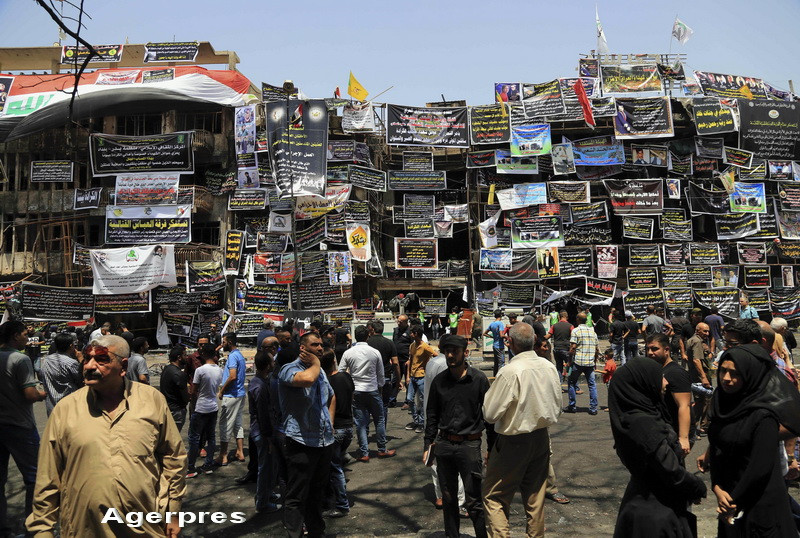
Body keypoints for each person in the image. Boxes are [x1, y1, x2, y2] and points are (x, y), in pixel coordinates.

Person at [26, 334, 186, 537]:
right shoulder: (65, 409)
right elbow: (48, 476)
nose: (89, 366)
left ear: (123, 366)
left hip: (145, 527)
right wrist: (42, 529)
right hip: (84, 528)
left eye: (101, 359)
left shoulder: (151, 400)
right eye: (87, 358)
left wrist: (173, 513)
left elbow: (174, 458)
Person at [702, 333, 800, 536]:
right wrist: (717, 488)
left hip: (759, 505)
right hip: (729, 498)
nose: (726, 379)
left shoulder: (762, 416)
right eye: (723, 371)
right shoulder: (723, 405)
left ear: (750, 375)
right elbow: (719, 447)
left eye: (735, 373)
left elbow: (760, 467)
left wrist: (731, 500)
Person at [609, 358, 706, 538]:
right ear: (642, 382)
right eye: (661, 377)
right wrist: (697, 487)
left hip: (651, 507)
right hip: (654, 516)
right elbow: (669, 469)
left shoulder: (642, 415)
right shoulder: (642, 423)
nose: (666, 382)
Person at [482, 322, 561, 537]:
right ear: (534, 341)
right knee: (535, 497)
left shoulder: (510, 371)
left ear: (511, 343)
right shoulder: (549, 367)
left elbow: (490, 413)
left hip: (513, 441)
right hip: (541, 438)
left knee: (494, 496)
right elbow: (557, 405)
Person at [423, 335, 490, 538]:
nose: (450, 355)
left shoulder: (478, 379)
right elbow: (432, 414)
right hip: (444, 445)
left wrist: (493, 447)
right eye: (447, 351)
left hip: (469, 447)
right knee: (448, 497)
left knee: (474, 500)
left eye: (455, 351)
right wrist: (428, 444)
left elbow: (490, 416)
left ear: (465, 353)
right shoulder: (439, 381)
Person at [278, 331, 335, 538]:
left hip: (323, 441)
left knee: (317, 492)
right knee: (297, 494)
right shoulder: (289, 369)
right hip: (301, 442)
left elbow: (331, 396)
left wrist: (330, 423)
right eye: (315, 345)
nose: (320, 348)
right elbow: (307, 379)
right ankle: (295, 533)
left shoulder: (319, 371)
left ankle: (316, 531)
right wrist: (316, 365)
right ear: (303, 348)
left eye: (321, 345)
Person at [0, 321, 46, 536]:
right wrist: (41, 395)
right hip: (20, 426)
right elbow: (29, 395)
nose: (28, 337)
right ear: (16, 335)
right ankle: (33, 527)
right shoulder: (21, 359)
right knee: (35, 478)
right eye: (25, 333)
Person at [338, 325, 395, 460]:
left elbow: (341, 372)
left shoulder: (348, 352)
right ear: (368, 336)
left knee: (361, 422)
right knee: (379, 420)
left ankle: (364, 453)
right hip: (372, 389)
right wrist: (380, 387)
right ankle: (382, 449)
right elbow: (381, 374)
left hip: (357, 390)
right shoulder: (374, 352)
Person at [423, 342, 467, 511]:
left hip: (432, 417)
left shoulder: (432, 363)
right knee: (454, 459)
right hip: (445, 419)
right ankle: (459, 499)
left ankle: (440, 495)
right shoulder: (445, 366)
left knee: (434, 459)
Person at [532, 336, 570, 504]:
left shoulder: (549, 367)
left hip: (541, 420)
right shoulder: (523, 367)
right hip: (526, 419)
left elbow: (555, 394)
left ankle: (550, 488)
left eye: (546, 346)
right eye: (542, 346)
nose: (546, 349)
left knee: (545, 454)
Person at [646, 333, 693, 458]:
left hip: (675, 434)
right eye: (648, 349)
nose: (650, 352)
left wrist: (683, 438)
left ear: (666, 350)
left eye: (654, 349)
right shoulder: (659, 370)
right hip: (664, 430)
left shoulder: (676, 373)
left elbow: (684, 406)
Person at [322, 348, 354, 518]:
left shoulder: (326, 381)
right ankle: (331, 496)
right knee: (335, 465)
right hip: (348, 426)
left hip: (337, 429)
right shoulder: (345, 377)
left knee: (335, 469)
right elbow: (352, 395)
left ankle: (342, 505)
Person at [248, 345, 280, 513]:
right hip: (262, 433)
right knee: (265, 468)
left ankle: (268, 493)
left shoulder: (260, 381)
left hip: (263, 431)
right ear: (267, 365)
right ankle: (262, 503)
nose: (274, 362)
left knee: (270, 466)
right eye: (272, 361)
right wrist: (268, 437)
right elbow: (263, 414)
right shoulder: (259, 386)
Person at [187, 343, 222, 478]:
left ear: (202, 354)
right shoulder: (219, 370)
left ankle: (191, 467)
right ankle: (208, 465)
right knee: (211, 437)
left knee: (194, 437)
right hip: (213, 406)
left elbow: (193, 390)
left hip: (201, 406)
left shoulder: (200, 370)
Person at [217, 332, 247, 465]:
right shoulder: (239, 355)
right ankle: (240, 451)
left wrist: (222, 390)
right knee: (237, 423)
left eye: (223, 342)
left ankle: (223, 455)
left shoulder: (233, 357)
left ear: (229, 342)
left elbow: (233, 376)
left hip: (232, 395)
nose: (222, 345)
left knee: (225, 425)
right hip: (239, 394)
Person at [39, 332, 82, 416]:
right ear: (71, 346)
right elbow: (82, 380)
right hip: (68, 407)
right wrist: (81, 361)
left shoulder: (46, 360)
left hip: (52, 406)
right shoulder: (71, 363)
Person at [566, 312, 600, 415]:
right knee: (592, 385)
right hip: (589, 363)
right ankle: (593, 408)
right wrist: (594, 361)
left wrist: (569, 361)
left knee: (571, 382)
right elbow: (597, 349)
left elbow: (572, 348)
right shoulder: (593, 332)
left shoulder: (576, 331)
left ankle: (572, 406)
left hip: (578, 362)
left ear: (577, 319)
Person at [366, 320, 400, 424]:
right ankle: (381, 432)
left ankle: (365, 433)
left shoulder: (367, 343)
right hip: (386, 377)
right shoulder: (389, 343)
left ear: (372, 329)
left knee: (368, 406)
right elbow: (395, 363)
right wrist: (398, 380)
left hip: (369, 378)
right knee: (384, 405)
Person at [406, 325, 436, 433]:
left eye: (412, 333)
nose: (410, 334)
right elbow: (410, 360)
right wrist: (408, 376)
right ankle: (416, 421)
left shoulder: (425, 347)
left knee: (423, 401)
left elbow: (435, 355)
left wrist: (428, 367)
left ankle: (422, 422)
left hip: (422, 377)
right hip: (413, 377)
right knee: (409, 399)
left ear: (416, 334)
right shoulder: (412, 346)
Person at [686, 323, 713, 435]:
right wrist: (703, 378)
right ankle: (694, 428)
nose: (707, 333)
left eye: (708, 331)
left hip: (697, 375)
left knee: (703, 401)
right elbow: (697, 360)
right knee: (702, 402)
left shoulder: (695, 340)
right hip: (699, 376)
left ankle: (702, 426)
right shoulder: (696, 341)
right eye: (704, 331)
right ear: (697, 331)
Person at [160, 345, 190, 431]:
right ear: (179, 357)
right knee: (174, 437)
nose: (186, 357)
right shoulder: (179, 374)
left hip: (167, 408)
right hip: (176, 411)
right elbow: (185, 396)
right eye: (185, 355)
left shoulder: (166, 369)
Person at [546, 310, 573, 383]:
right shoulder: (570, 326)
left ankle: (559, 386)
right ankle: (574, 386)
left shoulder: (554, 326)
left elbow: (548, 336)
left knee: (559, 368)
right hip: (566, 349)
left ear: (559, 317)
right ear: (567, 317)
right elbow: (574, 337)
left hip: (556, 349)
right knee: (571, 367)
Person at [392, 315, 413, 408]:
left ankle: (408, 402)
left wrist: (410, 359)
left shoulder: (410, 331)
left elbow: (413, 346)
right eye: (398, 321)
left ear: (406, 322)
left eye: (401, 321)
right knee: (395, 380)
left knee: (408, 382)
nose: (398, 322)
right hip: (396, 360)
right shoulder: (396, 331)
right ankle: (391, 400)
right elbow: (393, 343)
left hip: (406, 361)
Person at [483, 310, 506, 376]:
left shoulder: (492, 324)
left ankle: (494, 377)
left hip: (495, 345)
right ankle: (500, 377)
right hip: (500, 346)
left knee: (496, 363)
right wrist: (507, 337)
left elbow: (484, 333)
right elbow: (501, 335)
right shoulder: (500, 323)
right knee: (501, 363)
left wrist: (492, 337)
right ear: (500, 315)